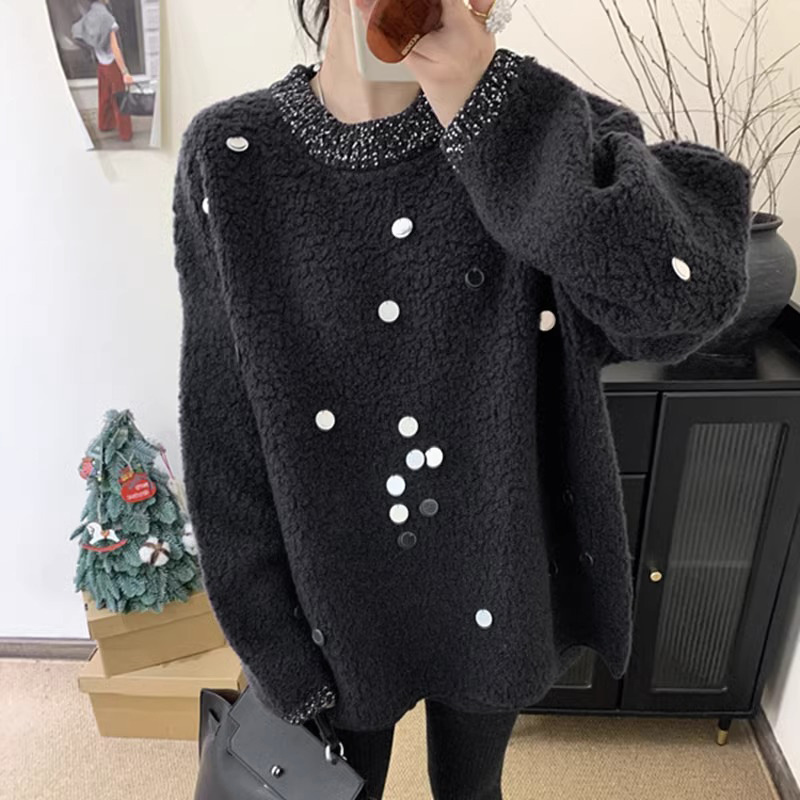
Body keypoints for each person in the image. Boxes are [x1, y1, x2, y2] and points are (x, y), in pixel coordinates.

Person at [171, 1, 753, 798]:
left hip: (499, 576)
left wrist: (494, 113)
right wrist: (270, 645)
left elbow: (682, 301)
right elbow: (220, 426)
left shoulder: (533, 128)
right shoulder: (232, 155)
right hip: (331, 597)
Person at [72, 0, 134, 142]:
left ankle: (105, 124)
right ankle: (125, 133)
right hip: (112, 64)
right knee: (120, 99)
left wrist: (92, 47)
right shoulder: (108, 19)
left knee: (104, 95)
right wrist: (125, 72)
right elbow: (115, 49)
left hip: (101, 63)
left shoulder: (90, 15)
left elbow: (76, 31)